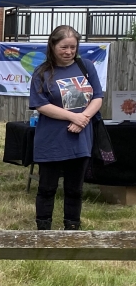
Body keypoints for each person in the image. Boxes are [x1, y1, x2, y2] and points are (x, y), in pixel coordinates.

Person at [29, 25, 103, 231]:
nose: (69, 52)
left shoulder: (86, 66)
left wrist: (84, 119)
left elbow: (98, 96)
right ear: (52, 46)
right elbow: (41, 104)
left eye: (73, 47)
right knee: (47, 187)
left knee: (75, 189)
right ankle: (43, 230)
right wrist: (74, 117)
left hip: (80, 138)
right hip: (51, 139)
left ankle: (72, 228)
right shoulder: (42, 72)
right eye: (64, 47)